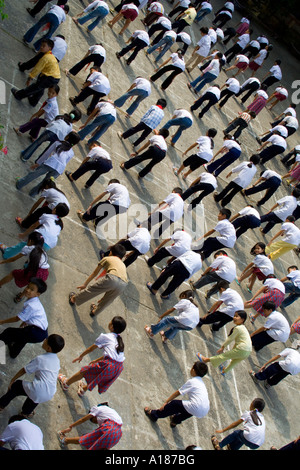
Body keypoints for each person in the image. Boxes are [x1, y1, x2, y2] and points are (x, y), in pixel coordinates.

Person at [58, 317, 126, 396]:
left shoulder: (106, 337)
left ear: (112, 327)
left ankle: (66, 383)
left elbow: (91, 349)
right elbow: (111, 356)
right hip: (118, 368)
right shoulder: (119, 340)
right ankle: (83, 389)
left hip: (108, 365)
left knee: (84, 371)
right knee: (99, 377)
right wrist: (96, 360)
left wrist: (81, 356)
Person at [0, 334, 65, 417]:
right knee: (35, 396)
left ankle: (1, 405)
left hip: (39, 390)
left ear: (49, 348)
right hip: (50, 393)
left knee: (16, 386)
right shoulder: (56, 360)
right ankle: (26, 412)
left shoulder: (40, 359)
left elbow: (25, 370)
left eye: (46, 340)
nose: (44, 340)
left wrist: (13, 379)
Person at [68, 244, 128, 317]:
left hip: (112, 278)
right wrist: (103, 298)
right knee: (107, 300)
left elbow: (94, 273)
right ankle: (94, 312)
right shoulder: (123, 265)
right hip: (123, 284)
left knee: (92, 290)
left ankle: (74, 299)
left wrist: (85, 284)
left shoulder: (107, 258)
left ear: (111, 252)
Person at [16, 132, 81, 197]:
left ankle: (20, 184)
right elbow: (65, 163)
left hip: (51, 163)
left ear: (67, 137)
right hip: (59, 169)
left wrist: (38, 163)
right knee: (45, 183)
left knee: (34, 174)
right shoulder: (71, 153)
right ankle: (33, 193)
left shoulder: (57, 143)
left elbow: (46, 154)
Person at [144, 361, 209, 426]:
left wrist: (166, 402)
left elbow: (178, 393)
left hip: (196, 407)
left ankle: (154, 414)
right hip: (205, 410)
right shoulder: (202, 384)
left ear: (193, 370)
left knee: (174, 404)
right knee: (189, 410)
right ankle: (175, 421)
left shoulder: (192, 381)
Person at [0, 278, 48, 358]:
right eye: (28, 287)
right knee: (22, 338)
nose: (27, 290)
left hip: (36, 332)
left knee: (9, 332)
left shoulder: (31, 305)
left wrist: (2, 321)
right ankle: (13, 353)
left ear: (37, 294)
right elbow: (30, 317)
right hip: (41, 332)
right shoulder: (34, 301)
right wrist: (24, 323)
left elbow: (17, 318)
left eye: (31, 289)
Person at [0, 203, 69, 258]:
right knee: (36, 254)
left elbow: (34, 226)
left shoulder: (47, 216)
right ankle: (28, 265)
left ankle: (7, 253)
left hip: (39, 237)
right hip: (50, 244)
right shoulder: (60, 224)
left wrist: (24, 234)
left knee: (22, 246)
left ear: (54, 209)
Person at [196, 310, 252, 375]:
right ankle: (224, 371)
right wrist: (233, 350)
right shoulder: (243, 328)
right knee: (234, 362)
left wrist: (223, 347)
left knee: (223, 356)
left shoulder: (238, 328)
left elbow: (230, 339)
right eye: (234, 316)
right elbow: (237, 342)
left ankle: (205, 360)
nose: (234, 318)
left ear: (242, 320)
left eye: (237, 316)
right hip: (247, 352)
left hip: (242, 348)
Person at [11, 39, 61, 108]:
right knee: (40, 88)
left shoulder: (46, 57)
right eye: (41, 45)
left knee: (35, 87)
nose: (41, 47)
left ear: (49, 48)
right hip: (55, 77)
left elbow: (37, 68)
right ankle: (33, 101)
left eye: (44, 46)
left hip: (50, 77)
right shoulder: (50, 55)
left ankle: (19, 95)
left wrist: (30, 77)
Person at [57, 404, 123, 450]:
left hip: (110, 429)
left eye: (93, 421)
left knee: (85, 439)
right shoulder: (108, 411)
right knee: (100, 448)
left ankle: (65, 440)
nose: (95, 422)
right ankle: (66, 441)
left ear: (93, 416)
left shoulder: (95, 410)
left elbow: (82, 420)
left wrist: (71, 426)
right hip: (118, 434)